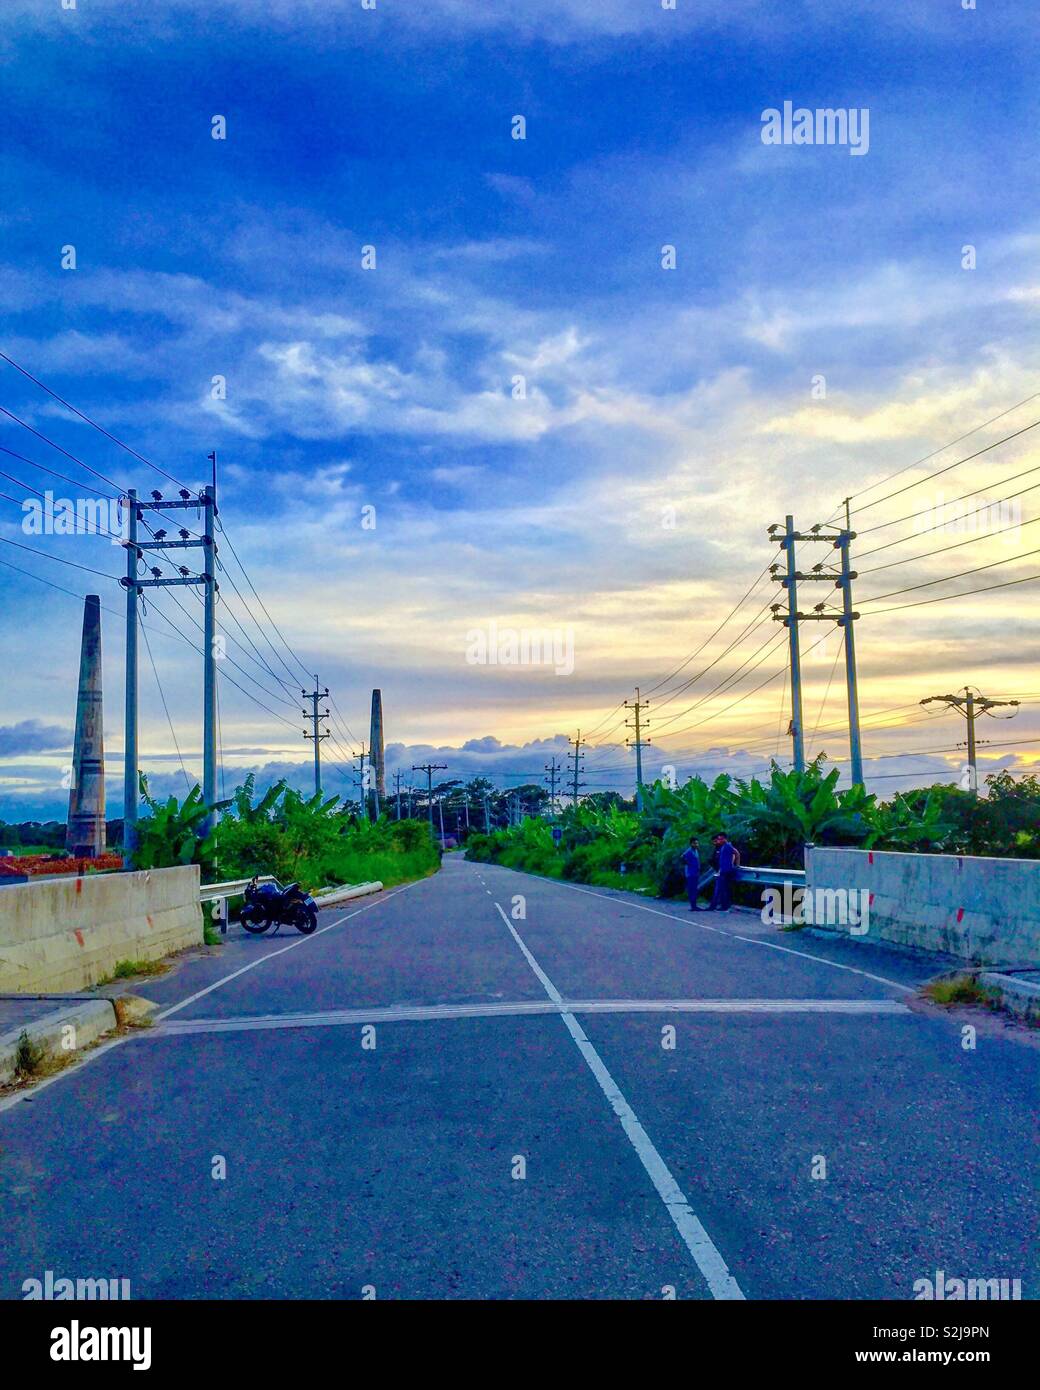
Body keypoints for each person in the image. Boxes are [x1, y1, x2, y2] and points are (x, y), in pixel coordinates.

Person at [709, 831, 740, 911]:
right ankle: (723, 905)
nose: (719, 840)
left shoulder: (728, 846)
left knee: (724, 889)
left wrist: (737, 865)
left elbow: (736, 853)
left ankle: (724, 906)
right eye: (719, 839)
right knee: (723, 889)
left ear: (724, 839)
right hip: (723, 870)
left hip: (726, 870)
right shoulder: (723, 847)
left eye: (720, 839)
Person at [679, 836, 702, 911]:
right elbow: (682, 857)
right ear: (691, 844)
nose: (696, 845)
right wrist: (688, 864)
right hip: (691, 873)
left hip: (695, 873)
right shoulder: (689, 851)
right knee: (692, 889)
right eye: (695, 843)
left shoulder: (696, 851)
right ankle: (693, 906)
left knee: (695, 889)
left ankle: (694, 905)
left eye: (697, 843)